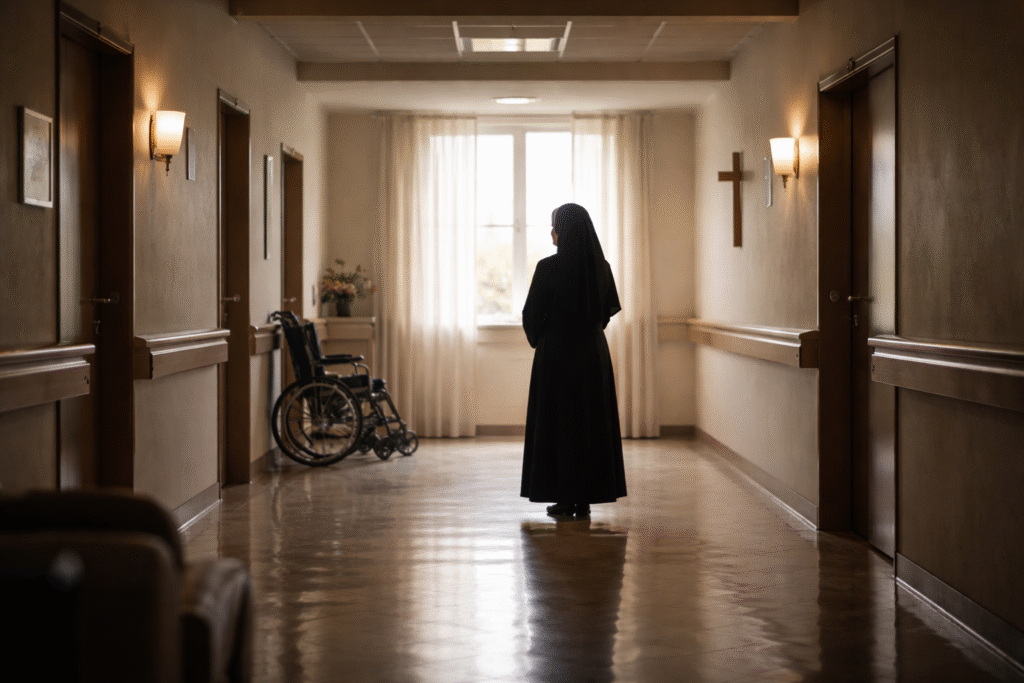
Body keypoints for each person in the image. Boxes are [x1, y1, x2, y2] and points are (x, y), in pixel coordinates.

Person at [520, 203, 627, 518]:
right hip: (593, 355)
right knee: (590, 423)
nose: (552, 232)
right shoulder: (602, 267)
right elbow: (607, 312)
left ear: (563, 230)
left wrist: (543, 338)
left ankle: (564, 498)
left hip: (556, 356)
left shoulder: (547, 267)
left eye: (554, 225)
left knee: (559, 424)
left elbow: (531, 315)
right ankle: (586, 499)